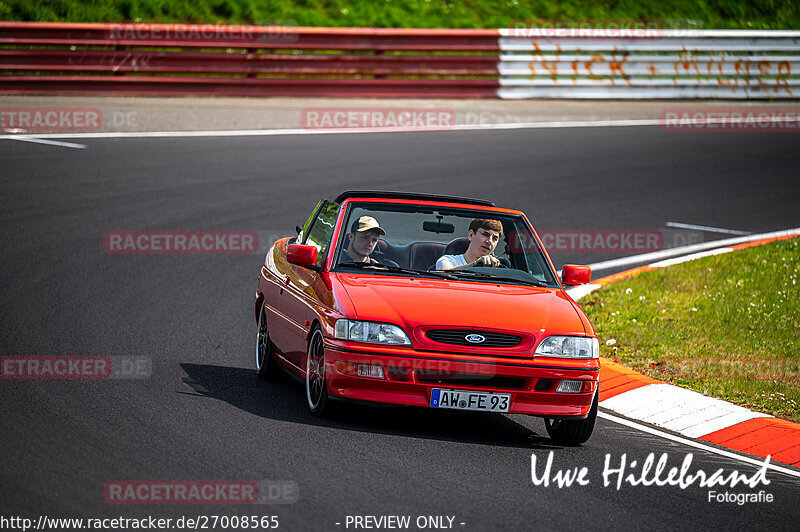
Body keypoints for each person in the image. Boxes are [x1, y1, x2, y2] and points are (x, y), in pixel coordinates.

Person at [435, 218, 503, 270]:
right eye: (485, 234)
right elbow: (446, 272)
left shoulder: (499, 268)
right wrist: (475, 264)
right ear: (471, 235)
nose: (489, 241)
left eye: (495, 238)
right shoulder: (448, 260)